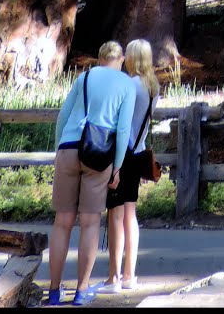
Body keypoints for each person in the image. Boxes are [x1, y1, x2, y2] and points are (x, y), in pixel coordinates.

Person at [47, 41, 136, 306]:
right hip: (98, 155)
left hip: (68, 148)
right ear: (121, 59)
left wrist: (58, 150)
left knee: (62, 222)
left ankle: (53, 291)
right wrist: (118, 166)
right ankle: (81, 291)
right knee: (89, 223)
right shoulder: (126, 84)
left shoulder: (83, 77)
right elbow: (122, 130)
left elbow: (63, 116)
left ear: (99, 59)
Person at [101, 39, 160, 294]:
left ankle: (112, 278)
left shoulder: (128, 85)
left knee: (115, 215)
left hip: (122, 153)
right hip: (138, 152)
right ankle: (129, 274)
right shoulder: (153, 88)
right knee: (130, 216)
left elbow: (119, 121)